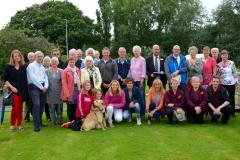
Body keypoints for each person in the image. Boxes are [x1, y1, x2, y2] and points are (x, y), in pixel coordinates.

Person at [3, 50, 28, 131]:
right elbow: (5, 79)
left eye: (18, 56)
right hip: (13, 91)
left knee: (18, 108)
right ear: (12, 57)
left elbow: (26, 79)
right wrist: (11, 87)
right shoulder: (8, 66)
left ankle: (15, 125)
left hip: (22, 90)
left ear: (20, 57)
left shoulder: (23, 66)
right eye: (15, 56)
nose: (17, 57)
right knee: (16, 107)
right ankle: (16, 125)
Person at [27, 51, 49, 132]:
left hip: (43, 87)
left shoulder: (42, 67)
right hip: (34, 87)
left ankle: (39, 122)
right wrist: (41, 87)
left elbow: (45, 77)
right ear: (35, 57)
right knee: (36, 105)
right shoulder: (31, 66)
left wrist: (46, 86)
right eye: (38, 56)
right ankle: (36, 126)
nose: (40, 58)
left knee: (41, 105)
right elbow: (33, 79)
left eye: (41, 56)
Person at [218, 50, 239, 116]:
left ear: (228, 55)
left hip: (231, 83)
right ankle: (223, 111)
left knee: (231, 97)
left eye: (226, 55)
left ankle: (232, 112)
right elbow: (218, 74)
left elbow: (235, 73)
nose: (224, 56)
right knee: (223, 97)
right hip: (222, 83)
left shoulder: (231, 63)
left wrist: (237, 82)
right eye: (223, 55)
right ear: (221, 56)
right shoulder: (219, 64)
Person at [61, 57, 81, 122]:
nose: (72, 63)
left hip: (77, 89)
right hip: (69, 91)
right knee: (70, 106)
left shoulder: (77, 70)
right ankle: (71, 120)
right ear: (68, 63)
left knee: (75, 105)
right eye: (71, 62)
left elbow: (79, 80)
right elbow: (64, 83)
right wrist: (67, 93)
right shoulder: (65, 71)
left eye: (73, 62)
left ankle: (75, 119)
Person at [46, 57, 63, 125]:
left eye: (55, 62)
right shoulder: (47, 71)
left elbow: (63, 82)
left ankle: (60, 121)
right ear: (50, 63)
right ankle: (53, 122)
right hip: (50, 92)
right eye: (53, 62)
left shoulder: (61, 71)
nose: (54, 63)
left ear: (58, 63)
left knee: (59, 109)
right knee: (51, 108)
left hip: (59, 92)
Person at [130, 45, 146, 117]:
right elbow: (131, 70)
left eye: (137, 51)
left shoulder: (142, 59)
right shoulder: (132, 59)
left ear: (140, 52)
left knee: (141, 97)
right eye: (135, 51)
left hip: (140, 81)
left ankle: (142, 113)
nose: (136, 52)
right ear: (133, 52)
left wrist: (142, 82)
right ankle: (136, 111)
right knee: (134, 97)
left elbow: (143, 71)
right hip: (133, 81)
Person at [24, 52, 35, 122]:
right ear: (28, 57)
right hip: (27, 86)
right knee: (27, 102)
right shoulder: (25, 65)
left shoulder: (36, 65)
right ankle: (26, 117)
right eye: (30, 56)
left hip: (35, 86)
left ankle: (35, 116)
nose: (31, 58)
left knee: (34, 102)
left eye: (32, 56)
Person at [43, 56, 51, 122]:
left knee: (51, 102)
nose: (47, 62)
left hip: (51, 88)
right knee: (46, 103)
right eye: (46, 61)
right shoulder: (42, 69)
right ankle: (48, 116)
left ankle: (52, 115)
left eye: (48, 61)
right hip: (45, 88)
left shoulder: (51, 68)